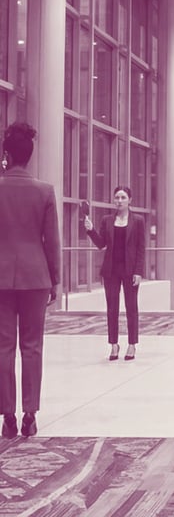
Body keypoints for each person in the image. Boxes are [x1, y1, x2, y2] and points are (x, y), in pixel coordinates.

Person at [0, 123, 60, 438]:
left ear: (7, 154)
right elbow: (51, 240)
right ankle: (30, 415)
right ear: (30, 156)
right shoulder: (44, 191)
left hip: (1, 280)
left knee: (3, 346)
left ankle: (7, 416)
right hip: (36, 278)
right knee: (32, 346)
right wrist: (56, 279)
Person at [84, 186, 146, 361]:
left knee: (131, 308)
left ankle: (132, 344)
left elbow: (141, 248)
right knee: (112, 309)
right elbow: (101, 244)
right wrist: (90, 230)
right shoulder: (107, 220)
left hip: (130, 270)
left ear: (130, 200)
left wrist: (139, 271)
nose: (119, 200)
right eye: (117, 197)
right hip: (111, 271)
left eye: (123, 197)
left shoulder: (138, 220)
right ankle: (113, 345)